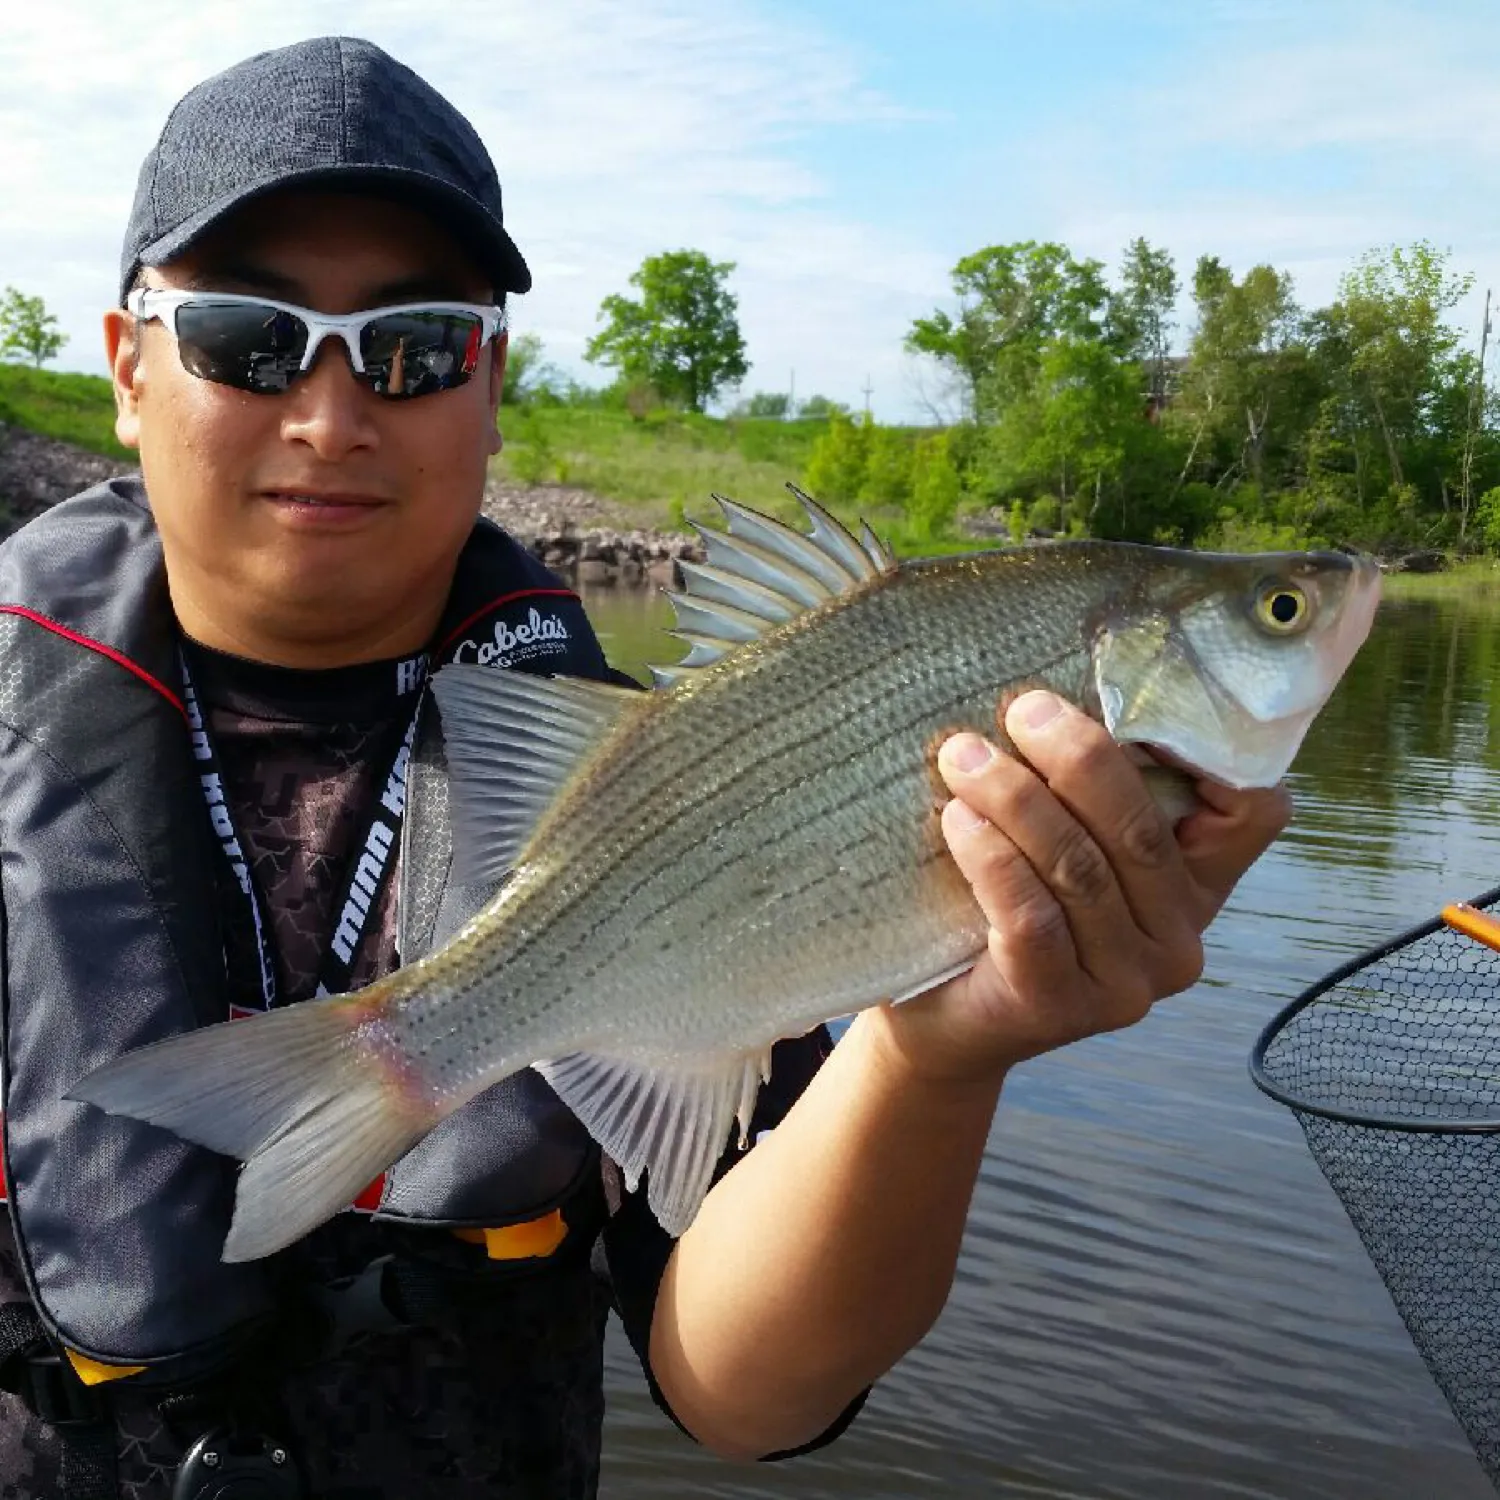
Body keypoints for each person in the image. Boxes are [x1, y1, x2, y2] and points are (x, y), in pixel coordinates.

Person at [0, 34, 1290, 1500]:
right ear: (126, 371)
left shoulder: (668, 775)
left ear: (489, 383)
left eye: (416, 345)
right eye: (250, 338)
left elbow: (747, 1402)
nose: (332, 412)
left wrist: (937, 1056)